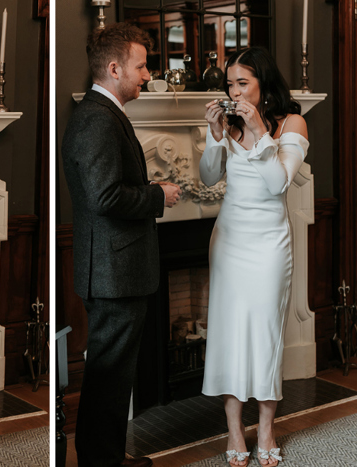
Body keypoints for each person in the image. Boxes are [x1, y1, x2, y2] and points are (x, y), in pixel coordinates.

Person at [61, 23, 182, 467]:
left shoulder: (102, 114)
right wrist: (158, 196)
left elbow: (108, 186)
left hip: (116, 268)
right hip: (114, 272)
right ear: (114, 68)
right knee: (108, 377)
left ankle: (105, 458)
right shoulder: (96, 118)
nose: (147, 74)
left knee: (110, 376)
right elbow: (104, 197)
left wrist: (147, 186)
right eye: (141, 65)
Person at [199, 47, 309, 467]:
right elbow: (209, 177)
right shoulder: (227, 125)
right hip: (228, 242)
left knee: (265, 338)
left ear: (264, 83)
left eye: (243, 82)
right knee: (227, 335)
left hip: (268, 247)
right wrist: (213, 135)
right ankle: (233, 431)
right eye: (230, 84)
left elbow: (277, 183)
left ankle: (265, 428)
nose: (234, 91)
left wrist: (260, 130)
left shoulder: (290, 124)